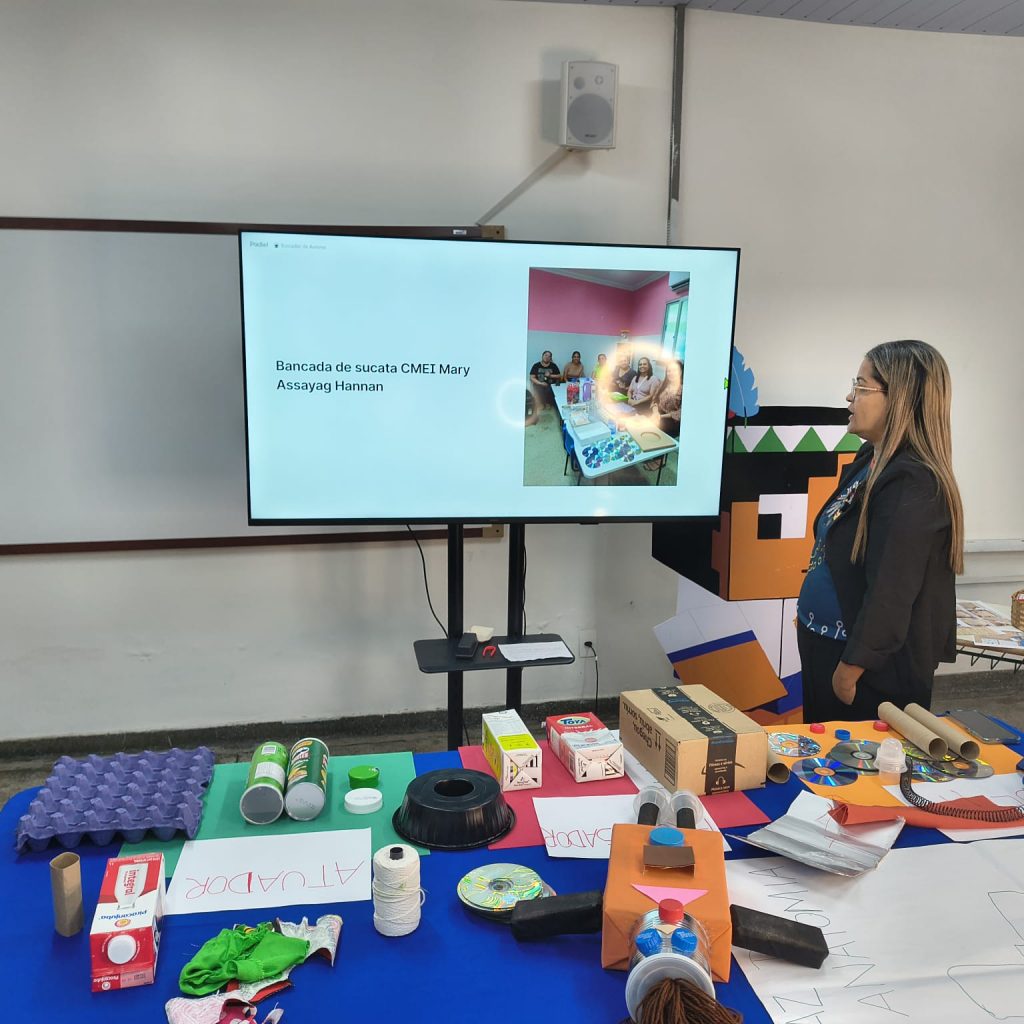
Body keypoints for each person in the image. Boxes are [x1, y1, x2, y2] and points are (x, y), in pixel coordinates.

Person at [796, 340, 964, 723]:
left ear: (900, 398)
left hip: (864, 672)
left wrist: (851, 667)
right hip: (827, 647)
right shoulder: (870, 459)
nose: (849, 397)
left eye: (861, 386)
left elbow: (892, 589)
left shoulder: (913, 483)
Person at [650, 358, 683, 438]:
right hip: (656, 418)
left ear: (681, 372)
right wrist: (655, 412)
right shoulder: (663, 384)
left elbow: (681, 412)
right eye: (669, 371)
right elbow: (655, 399)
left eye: (674, 370)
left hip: (671, 424)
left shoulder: (683, 389)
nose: (671, 373)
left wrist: (660, 416)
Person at [528, 350, 561, 415]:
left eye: (549, 356)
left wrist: (550, 375)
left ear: (550, 358)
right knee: (539, 389)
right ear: (542, 356)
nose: (547, 357)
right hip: (539, 383)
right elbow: (532, 377)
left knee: (550, 389)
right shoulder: (536, 365)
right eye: (545, 355)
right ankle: (541, 404)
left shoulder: (553, 365)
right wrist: (540, 383)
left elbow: (559, 376)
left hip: (550, 384)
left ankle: (548, 404)